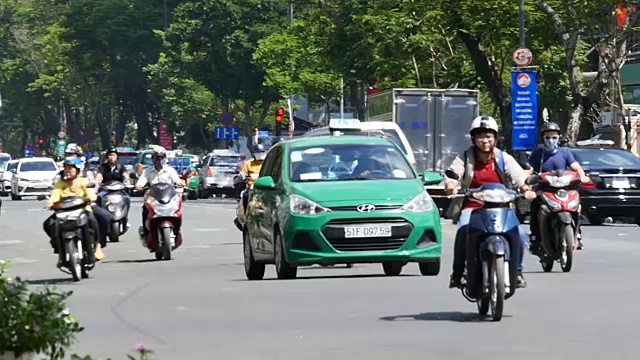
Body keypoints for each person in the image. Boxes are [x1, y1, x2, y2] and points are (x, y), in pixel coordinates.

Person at [445, 115, 536, 289]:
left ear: (495, 138)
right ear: (473, 138)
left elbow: (519, 177)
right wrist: (451, 186)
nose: (484, 141)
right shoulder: (465, 157)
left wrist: (526, 190)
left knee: (520, 234)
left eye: (488, 136)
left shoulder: (503, 158)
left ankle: (517, 272)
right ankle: (457, 273)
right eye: (480, 136)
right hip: (473, 208)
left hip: (501, 207)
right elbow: (453, 174)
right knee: (463, 232)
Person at [527, 122, 589, 253]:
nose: (551, 140)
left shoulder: (565, 153)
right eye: (547, 137)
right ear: (542, 138)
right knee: (535, 206)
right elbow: (529, 170)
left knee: (576, 205)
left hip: (564, 188)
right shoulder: (537, 153)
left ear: (559, 138)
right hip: (544, 188)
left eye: (554, 137)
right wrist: (525, 180)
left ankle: (577, 234)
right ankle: (535, 237)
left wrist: (582, 176)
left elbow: (577, 167)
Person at [44, 157, 105, 265]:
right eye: (66, 168)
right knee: (49, 224)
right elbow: (54, 196)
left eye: (70, 169)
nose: (67, 171)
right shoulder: (60, 184)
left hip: (82, 210)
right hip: (63, 213)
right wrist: (50, 203)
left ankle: (97, 245)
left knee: (93, 221)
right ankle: (59, 248)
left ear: (77, 170)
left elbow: (90, 193)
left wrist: (90, 197)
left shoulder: (83, 181)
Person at [135, 146, 185, 240]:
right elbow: (142, 180)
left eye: (160, 157)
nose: (158, 160)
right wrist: (139, 185)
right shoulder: (147, 171)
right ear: (152, 158)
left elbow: (177, 180)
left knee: (177, 210)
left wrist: (181, 183)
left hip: (168, 197)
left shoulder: (170, 170)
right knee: (145, 210)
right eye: (156, 157)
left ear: (164, 158)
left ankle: (176, 230)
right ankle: (146, 233)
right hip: (153, 198)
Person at [238, 144, 268, 213]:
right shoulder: (249, 164)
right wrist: (243, 176)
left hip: (265, 187)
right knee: (245, 196)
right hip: (252, 188)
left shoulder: (267, 163)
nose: (261, 154)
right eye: (258, 153)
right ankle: (246, 215)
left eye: (262, 152)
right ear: (254, 154)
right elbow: (242, 173)